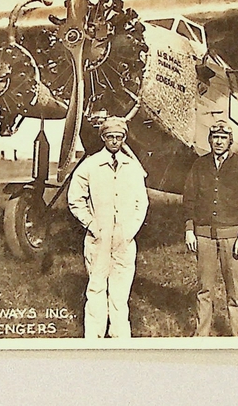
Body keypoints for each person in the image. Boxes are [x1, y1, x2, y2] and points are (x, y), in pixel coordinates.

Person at [67, 116, 148, 338]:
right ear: (103, 138)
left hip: (124, 239)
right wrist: (91, 224)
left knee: (121, 291)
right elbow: (75, 198)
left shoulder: (132, 167)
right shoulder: (90, 165)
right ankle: (94, 337)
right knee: (96, 287)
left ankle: (120, 336)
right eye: (110, 136)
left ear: (124, 139)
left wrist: (130, 231)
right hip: (98, 238)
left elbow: (142, 203)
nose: (114, 141)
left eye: (119, 137)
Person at [182, 120, 238, 337]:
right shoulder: (199, 165)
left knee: (234, 289)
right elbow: (189, 198)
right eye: (215, 137)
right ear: (210, 140)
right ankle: (202, 335)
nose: (218, 141)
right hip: (204, 236)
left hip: (232, 237)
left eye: (223, 138)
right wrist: (189, 229)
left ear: (230, 141)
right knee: (204, 289)